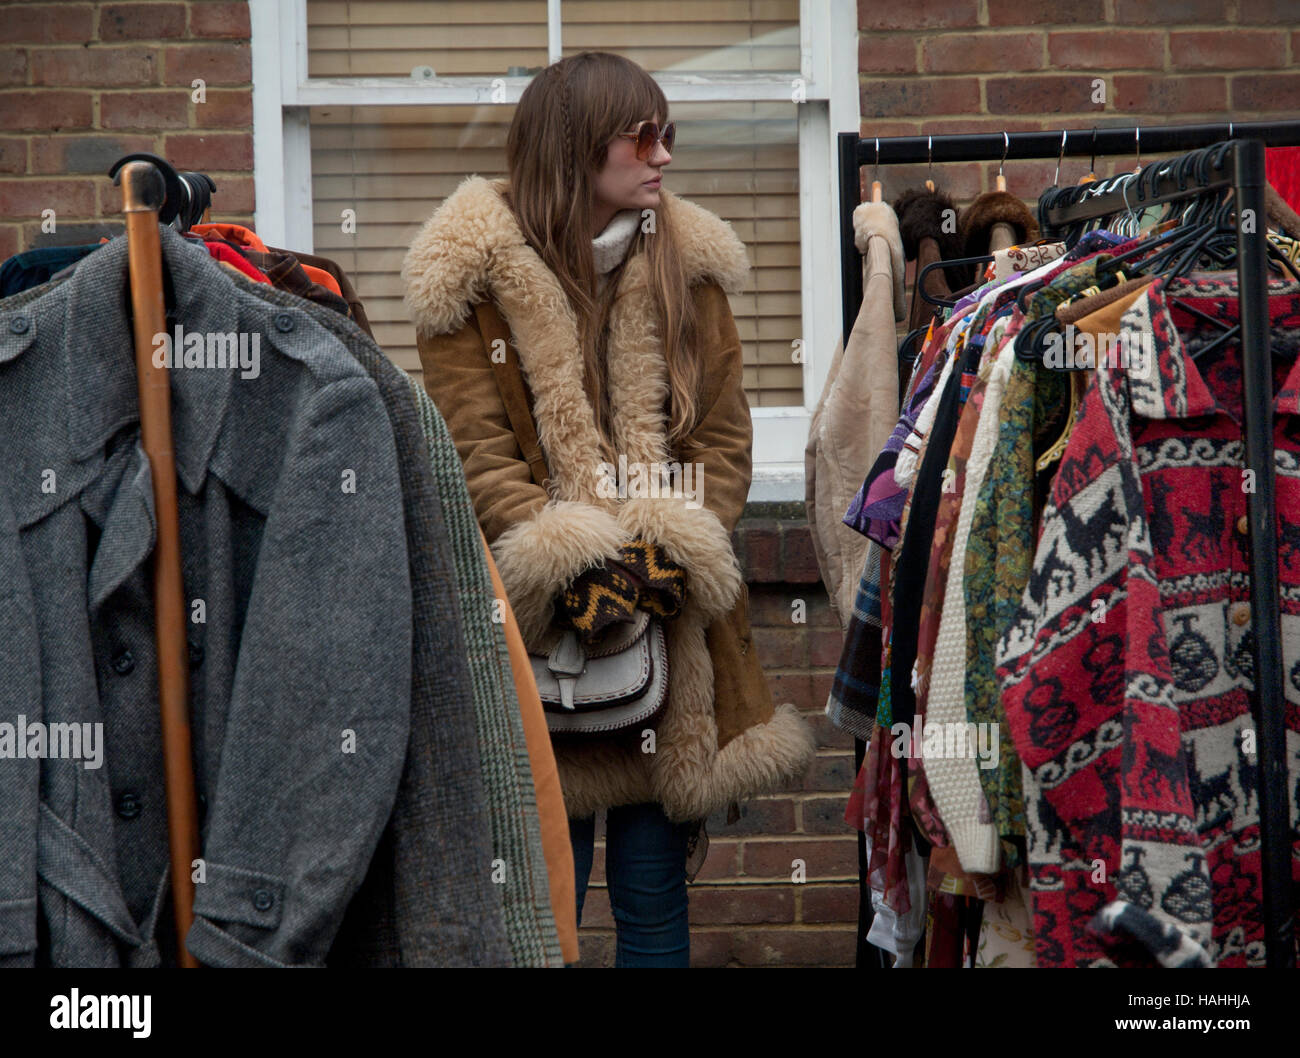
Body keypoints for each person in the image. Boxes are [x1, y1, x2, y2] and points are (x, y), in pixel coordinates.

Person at [403, 51, 814, 967]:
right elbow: (477, 455)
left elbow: (722, 443)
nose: (663, 155)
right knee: (539, 914)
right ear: (577, 146)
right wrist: (578, 569)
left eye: (669, 134)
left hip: (670, 650)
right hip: (537, 635)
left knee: (654, 906)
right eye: (644, 135)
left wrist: (662, 563)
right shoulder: (466, 281)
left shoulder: (688, 270)